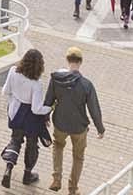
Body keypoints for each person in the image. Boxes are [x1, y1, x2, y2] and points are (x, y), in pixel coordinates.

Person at [44, 47, 105, 195]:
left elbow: (48, 101)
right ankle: (72, 188)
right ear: (81, 62)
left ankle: (56, 179)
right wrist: (100, 128)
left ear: (67, 60)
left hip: (60, 123)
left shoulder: (56, 79)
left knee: (58, 147)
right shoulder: (86, 84)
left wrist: (45, 117)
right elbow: (94, 109)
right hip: (79, 127)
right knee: (78, 157)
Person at [2, 48, 52, 188]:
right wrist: (50, 108)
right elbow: (36, 109)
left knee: (15, 140)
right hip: (31, 119)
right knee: (32, 146)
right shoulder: (36, 84)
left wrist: (15, 96)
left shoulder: (13, 71)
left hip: (15, 112)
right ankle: (27, 174)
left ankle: (8, 169)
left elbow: (5, 91)